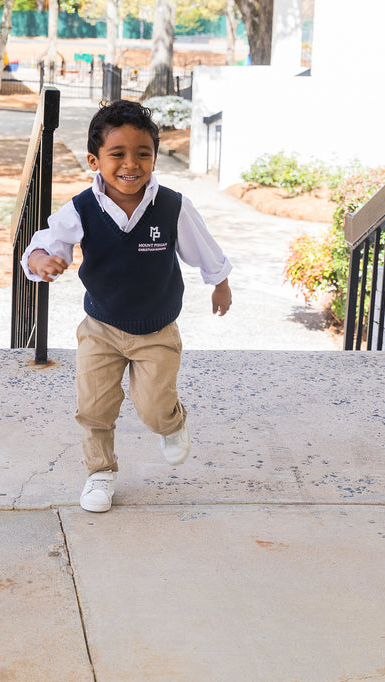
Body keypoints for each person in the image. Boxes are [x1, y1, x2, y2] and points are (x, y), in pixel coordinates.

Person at [22, 99, 232, 513]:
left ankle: (171, 423)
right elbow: (41, 244)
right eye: (117, 154)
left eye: (143, 154)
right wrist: (41, 261)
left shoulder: (172, 206)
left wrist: (219, 285)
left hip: (156, 331)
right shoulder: (81, 208)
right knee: (94, 407)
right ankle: (99, 473)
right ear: (94, 160)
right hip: (100, 327)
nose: (130, 164)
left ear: (155, 157)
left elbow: (204, 250)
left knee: (153, 407)